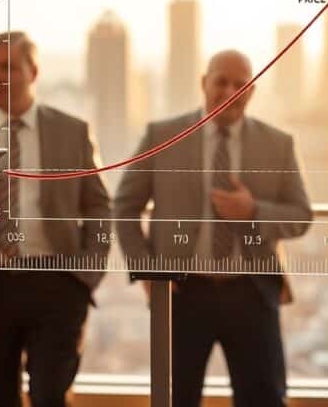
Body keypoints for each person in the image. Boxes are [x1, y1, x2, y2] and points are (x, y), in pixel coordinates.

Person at [114, 49, 312, 407]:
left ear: (251, 91)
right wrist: (147, 270)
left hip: (251, 291)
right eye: (221, 81)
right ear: (203, 83)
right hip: (181, 293)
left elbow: (300, 216)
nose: (230, 91)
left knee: (265, 398)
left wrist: (254, 210)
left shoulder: (278, 144)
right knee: (177, 398)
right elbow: (124, 206)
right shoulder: (162, 136)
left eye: (241, 84)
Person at [0, 30, 110, 407]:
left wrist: (87, 273)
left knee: (50, 396)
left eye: (9, 68)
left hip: (58, 283)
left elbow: (98, 205)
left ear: (34, 72)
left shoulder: (71, 131)